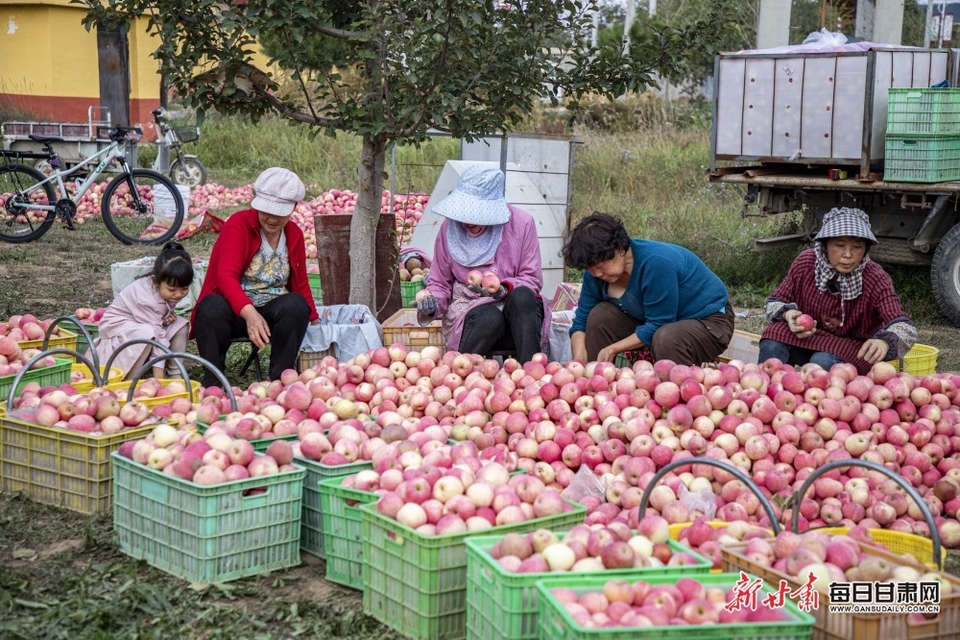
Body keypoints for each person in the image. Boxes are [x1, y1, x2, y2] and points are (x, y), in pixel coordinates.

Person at [192, 167, 318, 386]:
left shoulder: (294, 234)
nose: (271, 218)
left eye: (279, 213)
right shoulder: (238, 225)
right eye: (266, 211)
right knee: (211, 307)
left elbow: (300, 283)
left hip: (271, 313)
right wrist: (250, 314)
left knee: (297, 305)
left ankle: (278, 380)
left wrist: (314, 318)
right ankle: (213, 383)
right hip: (233, 312)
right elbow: (225, 277)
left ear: (292, 209)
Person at [415, 165, 551, 363]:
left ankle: (531, 373)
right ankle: (464, 375)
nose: (468, 221)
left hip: (519, 319)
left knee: (523, 296)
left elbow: (531, 278)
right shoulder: (449, 230)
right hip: (475, 319)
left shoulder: (522, 224)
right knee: (489, 316)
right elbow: (440, 283)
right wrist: (431, 304)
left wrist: (501, 291)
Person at [758, 207, 917, 374]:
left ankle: (823, 398)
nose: (848, 254)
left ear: (866, 249)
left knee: (823, 360)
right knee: (773, 336)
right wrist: (788, 315)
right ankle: (768, 388)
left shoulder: (875, 278)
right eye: (839, 245)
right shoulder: (806, 263)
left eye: (857, 247)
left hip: (851, 348)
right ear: (825, 245)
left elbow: (904, 327)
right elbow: (775, 301)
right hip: (809, 338)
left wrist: (883, 343)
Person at [561, 212, 734, 365]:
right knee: (600, 315)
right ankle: (600, 385)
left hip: (708, 321)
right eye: (590, 268)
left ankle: (673, 395)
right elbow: (581, 322)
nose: (597, 274)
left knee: (666, 337)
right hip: (653, 321)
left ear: (620, 249)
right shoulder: (595, 275)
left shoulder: (656, 263)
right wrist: (578, 359)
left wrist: (612, 348)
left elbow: (660, 323)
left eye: (600, 266)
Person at [92, 242, 193, 380]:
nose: (178, 294)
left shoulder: (163, 290)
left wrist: (165, 316)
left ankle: (175, 377)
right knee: (148, 333)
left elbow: (157, 321)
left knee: (180, 325)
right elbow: (157, 340)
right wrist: (158, 381)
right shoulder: (146, 299)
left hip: (141, 325)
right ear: (156, 281)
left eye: (184, 289)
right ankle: (129, 381)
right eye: (172, 290)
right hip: (118, 333)